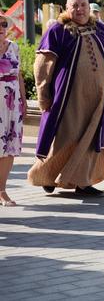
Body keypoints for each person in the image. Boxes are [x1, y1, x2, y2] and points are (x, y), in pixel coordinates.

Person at [27, 0, 104, 197]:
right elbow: (42, 67)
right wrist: (43, 96)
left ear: (89, 7)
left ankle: (83, 182)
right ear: (66, 8)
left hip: (98, 100)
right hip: (68, 100)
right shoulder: (57, 31)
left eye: (83, 5)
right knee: (66, 139)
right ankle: (46, 175)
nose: (79, 9)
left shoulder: (102, 32)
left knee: (91, 140)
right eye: (74, 5)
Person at [0, 14, 27, 206]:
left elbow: (18, 76)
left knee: (9, 148)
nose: (1, 27)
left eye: (3, 24)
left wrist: (24, 101)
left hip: (12, 104)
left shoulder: (14, 47)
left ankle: (2, 190)